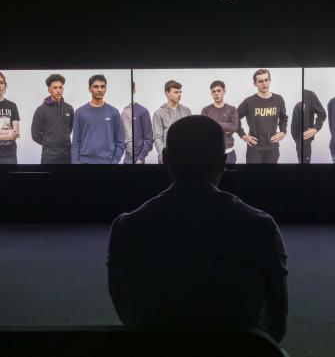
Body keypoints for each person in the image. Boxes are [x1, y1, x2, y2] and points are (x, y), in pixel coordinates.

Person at [107, 115, 289, 344]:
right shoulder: (260, 227)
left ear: (165, 158)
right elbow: (276, 323)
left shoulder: (127, 228)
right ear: (224, 161)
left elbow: (124, 308)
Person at [237, 69, 288, 164]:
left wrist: (283, 131)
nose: (264, 83)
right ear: (255, 83)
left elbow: (284, 118)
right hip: (254, 148)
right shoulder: (249, 102)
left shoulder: (278, 99)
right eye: (260, 81)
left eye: (266, 80)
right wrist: (243, 135)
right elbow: (234, 118)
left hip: (273, 148)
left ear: (270, 80)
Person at [71, 74, 124, 164]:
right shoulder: (80, 112)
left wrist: (114, 162)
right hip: (84, 162)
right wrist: (76, 163)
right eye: (95, 86)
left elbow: (120, 141)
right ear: (89, 89)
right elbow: (76, 141)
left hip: (107, 162)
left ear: (105, 89)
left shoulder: (113, 112)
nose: (99, 90)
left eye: (102, 86)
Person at [31, 74, 74, 164]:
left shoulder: (69, 108)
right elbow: (35, 134)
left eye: (60, 87)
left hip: (67, 155)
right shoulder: (41, 110)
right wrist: (48, 144)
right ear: (49, 90)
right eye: (55, 88)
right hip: (49, 157)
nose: (58, 90)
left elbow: (69, 129)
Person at [152, 80, 191, 163]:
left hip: (185, 157)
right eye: (176, 92)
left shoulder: (186, 111)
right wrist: (164, 155)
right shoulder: (158, 113)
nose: (179, 94)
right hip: (167, 159)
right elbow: (157, 137)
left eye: (180, 92)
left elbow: (190, 135)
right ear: (167, 93)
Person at [201, 80, 238, 164]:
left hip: (229, 151)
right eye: (213, 91)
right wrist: (226, 127)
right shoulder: (206, 110)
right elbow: (205, 130)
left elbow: (234, 127)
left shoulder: (232, 109)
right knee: (212, 176)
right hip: (211, 152)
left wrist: (214, 124)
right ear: (211, 93)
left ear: (224, 91)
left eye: (219, 91)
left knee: (229, 176)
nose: (216, 93)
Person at [291, 89, 326, 164]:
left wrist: (315, 129)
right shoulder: (297, 103)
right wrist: (297, 140)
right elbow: (293, 126)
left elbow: (322, 114)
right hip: (299, 141)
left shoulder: (309, 95)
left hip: (306, 141)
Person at [121, 82, 153, 164]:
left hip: (139, 160)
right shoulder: (123, 113)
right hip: (127, 159)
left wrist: (141, 158)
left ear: (134, 91)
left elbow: (149, 139)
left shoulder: (143, 111)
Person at [0, 72, 20, 164]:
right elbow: (11, 134)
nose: (0, 85)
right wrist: (8, 135)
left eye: (1, 82)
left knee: (11, 179)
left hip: (10, 155)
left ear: (4, 86)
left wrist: (11, 135)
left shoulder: (12, 105)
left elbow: (16, 133)